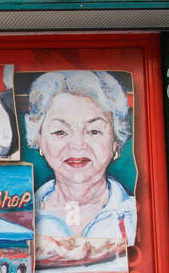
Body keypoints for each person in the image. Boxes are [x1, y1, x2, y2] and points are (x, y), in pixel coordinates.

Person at [26, 70, 137, 242]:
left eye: (93, 131)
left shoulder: (137, 215)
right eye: (60, 131)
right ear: (39, 141)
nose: (77, 145)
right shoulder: (22, 215)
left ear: (116, 142)